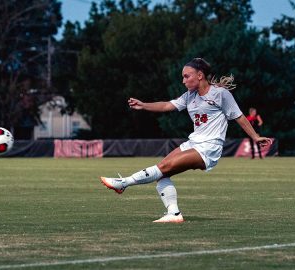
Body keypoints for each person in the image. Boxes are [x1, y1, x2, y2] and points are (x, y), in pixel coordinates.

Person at [100, 58, 272, 223]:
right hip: (193, 143)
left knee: (163, 167)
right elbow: (168, 105)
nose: (183, 80)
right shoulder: (190, 96)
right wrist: (144, 105)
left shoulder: (221, 94)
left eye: (186, 76)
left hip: (209, 147)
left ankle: (124, 183)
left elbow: (239, 117)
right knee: (162, 174)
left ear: (200, 75)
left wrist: (256, 137)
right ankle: (173, 213)